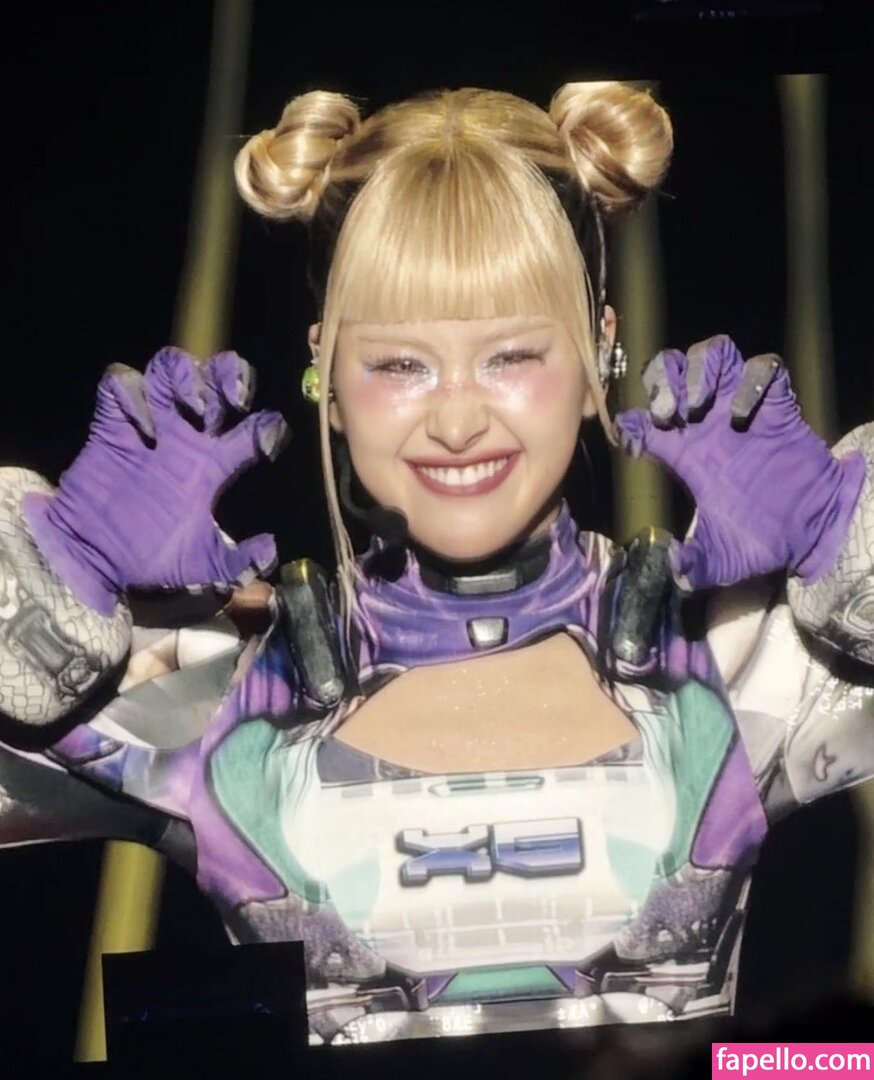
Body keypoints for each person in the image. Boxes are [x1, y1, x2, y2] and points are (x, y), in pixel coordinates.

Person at [0, 81, 871, 1048]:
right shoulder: (215, 687)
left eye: (511, 355)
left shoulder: (733, 656)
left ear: (600, 350)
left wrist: (843, 532)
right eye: (401, 364)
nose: (458, 420)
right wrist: (55, 567)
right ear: (327, 373)